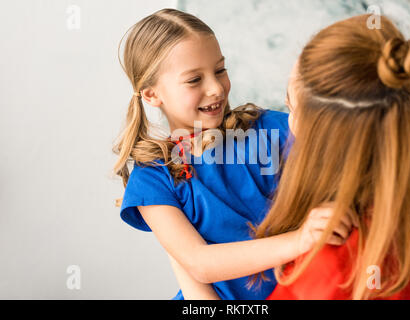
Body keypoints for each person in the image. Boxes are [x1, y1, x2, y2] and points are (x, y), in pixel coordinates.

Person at [112, 9, 355, 300]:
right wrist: (301, 240)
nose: (216, 88)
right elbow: (200, 264)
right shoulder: (151, 177)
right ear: (152, 95)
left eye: (220, 70)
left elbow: (343, 161)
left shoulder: (269, 128)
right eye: (194, 80)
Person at [253, 14, 410, 300]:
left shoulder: (331, 266)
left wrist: (187, 266)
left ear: (333, 146)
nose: (286, 119)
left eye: (292, 108)